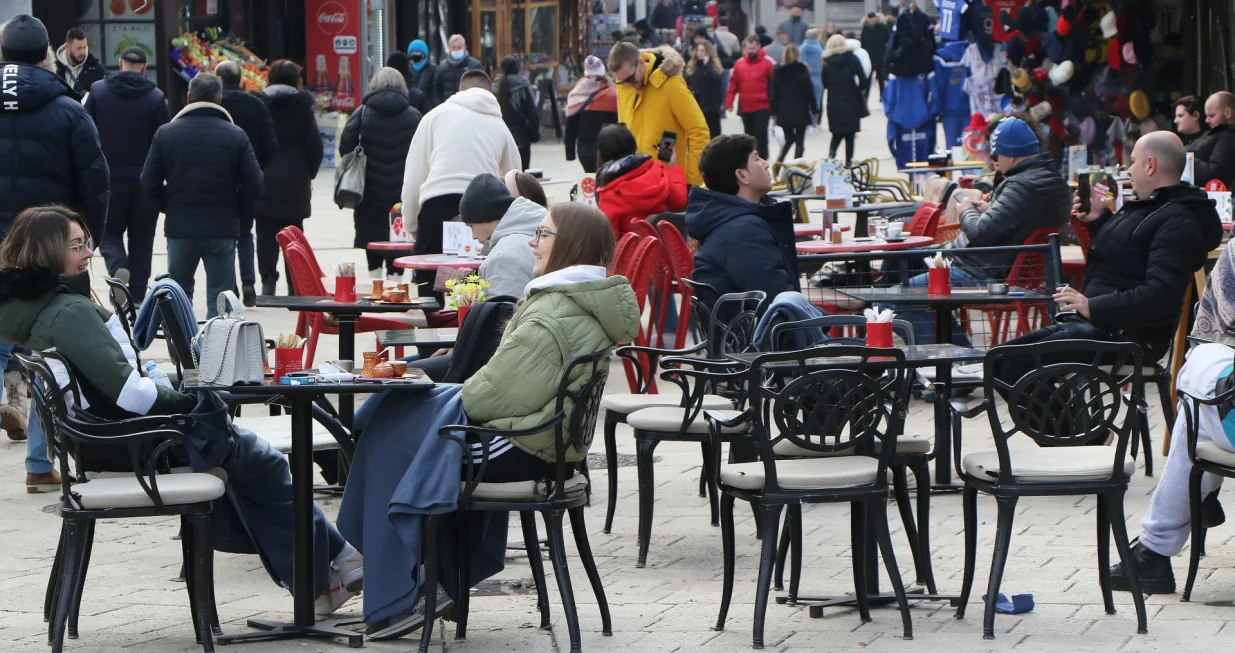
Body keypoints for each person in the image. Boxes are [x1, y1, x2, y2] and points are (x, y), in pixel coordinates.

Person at [0, 205, 366, 616]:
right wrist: (191, 399)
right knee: (252, 457)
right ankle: (330, 570)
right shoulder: (69, 313)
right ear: (48, 253)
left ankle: (321, 579)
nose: (88, 252)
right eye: (77, 245)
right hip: (131, 445)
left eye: (87, 242)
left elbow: (120, 382)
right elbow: (131, 394)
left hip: (103, 442)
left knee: (244, 457)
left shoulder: (43, 308)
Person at [338, 203, 639, 639]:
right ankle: (415, 576)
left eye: (543, 234)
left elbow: (485, 398)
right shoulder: (580, 301)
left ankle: (404, 589)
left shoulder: (553, 311)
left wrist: (450, 394)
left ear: (569, 245)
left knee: (397, 439)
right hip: (548, 442)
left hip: (527, 447)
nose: (533, 242)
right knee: (401, 420)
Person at [996, 131, 1222, 404]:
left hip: (1125, 335)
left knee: (1013, 366)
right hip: (1101, 325)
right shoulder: (1155, 207)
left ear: (1150, 165)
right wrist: (1097, 220)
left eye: (1133, 162)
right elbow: (1130, 254)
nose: (1129, 169)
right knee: (998, 361)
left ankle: (1081, 438)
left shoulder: (1177, 219)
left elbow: (1161, 295)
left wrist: (1093, 306)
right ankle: (1082, 434)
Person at [0, 14, 109, 488]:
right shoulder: (68, 110)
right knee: (49, 348)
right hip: (47, 248)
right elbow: (96, 182)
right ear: (48, 55)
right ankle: (40, 464)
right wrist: (85, 243)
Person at [899, 118, 1072, 345]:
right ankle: (955, 352)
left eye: (995, 156)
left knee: (896, 300)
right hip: (1002, 267)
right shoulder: (1052, 180)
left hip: (984, 271)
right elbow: (1022, 221)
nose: (994, 163)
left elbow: (979, 232)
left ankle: (958, 357)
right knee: (899, 266)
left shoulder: (1021, 185)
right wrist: (990, 209)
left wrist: (965, 210)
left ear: (1011, 155)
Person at [142, 73, 262, 319]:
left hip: (181, 227)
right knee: (220, 299)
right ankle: (215, 353)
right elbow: (256, 182)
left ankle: (184, 352)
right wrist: (235, 207)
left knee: (179, 294)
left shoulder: (166, 133)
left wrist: (170, 205)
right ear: (220, 100)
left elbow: (148, 181)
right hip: (222, 227)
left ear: (189, 97)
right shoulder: (236, 135)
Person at [402, 70, 520, 297]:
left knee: (429, 280)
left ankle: (431, 321)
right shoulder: (500, 126)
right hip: (481, 210)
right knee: (475, 281)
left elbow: (414, 176)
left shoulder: (435, 116)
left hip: (436, 204)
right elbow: (514, 180)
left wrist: (411, 224)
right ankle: (467, 324)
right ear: (490, 92)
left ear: (459, 90)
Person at [85, 46, 169, 304]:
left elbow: (85, 133)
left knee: (108, 232)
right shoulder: (156, 98)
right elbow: (163, 141)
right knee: (142, 238)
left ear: (120, 64)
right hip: (145, 181)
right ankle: (137, 297)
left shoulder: (97, 93)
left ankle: (117, 266)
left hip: (108, 178)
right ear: (144, 67)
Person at [685, 133, 798, 311]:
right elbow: (778, 305)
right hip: (762, 336)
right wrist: (822, 322)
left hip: (745, 333)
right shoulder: (744, 231)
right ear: (742, 175)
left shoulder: (728, 220)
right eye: (757, 158)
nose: (766, 163)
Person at [342, 67, 422, 280]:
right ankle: (396, 283)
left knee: (373, 237)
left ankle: (376, 284)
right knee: (398, 237)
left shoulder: (362, 113)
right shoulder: (414, 117)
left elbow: (345, 147)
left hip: (369, 192)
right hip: (402, 192)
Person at [253, 61, 323, 297]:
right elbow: (314, 145)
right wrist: (309, 172)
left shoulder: (259, 104)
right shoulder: (303, 107)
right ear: (296, 80)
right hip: (295, 178)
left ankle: (268, 282)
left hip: (264, 175)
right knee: (293, 234)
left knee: (264, 233)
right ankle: (295, 286)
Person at [215, 60, 277, 306]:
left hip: (219, 180)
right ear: (240, 79)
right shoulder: (256, 105)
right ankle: (249, 280)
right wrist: (257, 167)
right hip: (247, 179)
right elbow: (270, 143)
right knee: (244, 234)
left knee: (225, 236)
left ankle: (231, 288)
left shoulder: (216, 105)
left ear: (219, 80)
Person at [607, 42, 711, 186]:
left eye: (630, 79)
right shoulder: (624, 85)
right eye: (620, 81)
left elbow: (699, 131)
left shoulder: (670, 84)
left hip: (668, 186)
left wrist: (691, 180)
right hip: (634, 182)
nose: (627, 85)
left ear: (641, 63)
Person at [459, 173, 546, 297]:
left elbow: (504, 313)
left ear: (485, 218)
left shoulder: (504, 258)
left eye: (471, 226)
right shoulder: (539, 226)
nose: (473, 236)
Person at [595, 123, 689, 235]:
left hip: (633, 250)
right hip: (663, 246)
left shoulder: (609, 193)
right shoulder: (658, 171)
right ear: (633, 144)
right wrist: (673, 166)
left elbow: (608, 240)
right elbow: (680, 202)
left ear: (602, 153)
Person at [564, 55, 618, 173]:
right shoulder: (614, 96)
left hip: (585, 151)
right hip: (610, 150)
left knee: (591, 183)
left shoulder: (576, 94)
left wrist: (570, 153)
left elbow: (570, 128)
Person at [726, 35, 775, 160]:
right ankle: (750, 160)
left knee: (761, 134)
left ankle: (763, 159)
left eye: (753, 48)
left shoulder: (767, 64)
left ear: (759, 47)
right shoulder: (739, 64)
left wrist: (775, 104)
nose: (751, 51)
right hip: (746, 105)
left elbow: (775, 84)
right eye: (748, 48)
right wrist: (729, 102)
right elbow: (733, 85)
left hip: (762, 105)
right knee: (748, 135)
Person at [820, 34, 867, 163]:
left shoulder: (826, 62)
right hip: (851, 100)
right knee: (850, 135)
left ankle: (831, 159)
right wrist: (857, 89)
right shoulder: (852, 58)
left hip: (834, 101)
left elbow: (825, 84)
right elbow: (863, 80)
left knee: (836, 134)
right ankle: (848, 164)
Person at [770, 44, 818, 162]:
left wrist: (773, 110)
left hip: (784, 109)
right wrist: (815, 109)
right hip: (801, 109)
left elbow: (774, 92)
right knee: (800, 140)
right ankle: (797, 165)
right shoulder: (803, 69)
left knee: (789, 138)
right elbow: (809, 91)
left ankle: (780, 160)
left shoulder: (778, 71)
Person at [493, 55, 540, 171]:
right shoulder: (523, 86)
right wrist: (534, 134)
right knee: (521, 176)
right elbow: (532, 114)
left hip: (498, 138)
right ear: (518, 68)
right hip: (521, 138)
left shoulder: (494, 88)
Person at [1187, 91, 1235, 189]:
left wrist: (1186, 159)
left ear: (1228, 113)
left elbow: (1215, 176)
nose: (1207, 120)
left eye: (1212, 116)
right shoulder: (1220, 134)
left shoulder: (1228, 136)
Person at [686, 40, 725, 138]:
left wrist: (706, 66)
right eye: (699, 50)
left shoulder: (713, 67)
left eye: (703, 51)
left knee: (712, 136)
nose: (700, 53)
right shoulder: (692, 67)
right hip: (696, 107)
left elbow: (716, 81)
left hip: (711, 109)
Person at [53, 28, 103, 95]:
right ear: (68, 47)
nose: (83, 52)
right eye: (78, 48)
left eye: (84, 47)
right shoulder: (54, 69)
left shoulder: (97, 70)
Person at [435, 34, 483, 103]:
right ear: (449, 48)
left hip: (468, 106)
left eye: (459, 47)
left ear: (465, 47)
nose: (456, 50)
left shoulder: (475, 66)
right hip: (448, 107)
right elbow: (437, 91)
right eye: (453, 47)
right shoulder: (442, 68)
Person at [860, 13, 891, 96]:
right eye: (870, 20)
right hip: (869, 58)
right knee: (867, 80)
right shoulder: (865, 29)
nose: (872, 21)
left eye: (874, 19)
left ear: (876, 19)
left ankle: (882, 97)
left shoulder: (883, 28)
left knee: (881, 79)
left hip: (881, 57)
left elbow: (889, 40)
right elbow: (863, 42)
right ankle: (865, 98)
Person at [801, 29, 824, 124]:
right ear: (816, 37)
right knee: (817, 101)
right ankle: (814, 123)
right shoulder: (819, 49)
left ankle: (805, 122)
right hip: (817, 77)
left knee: (803, 101)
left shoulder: (800, 48)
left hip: (803, 76)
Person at [406, 39, 438, 109]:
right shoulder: (407, 69)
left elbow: (436, 92)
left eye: (417, 52)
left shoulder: (433, 69)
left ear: (424, 54)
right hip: (411, 108)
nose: (415, 54)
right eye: (413, 52)